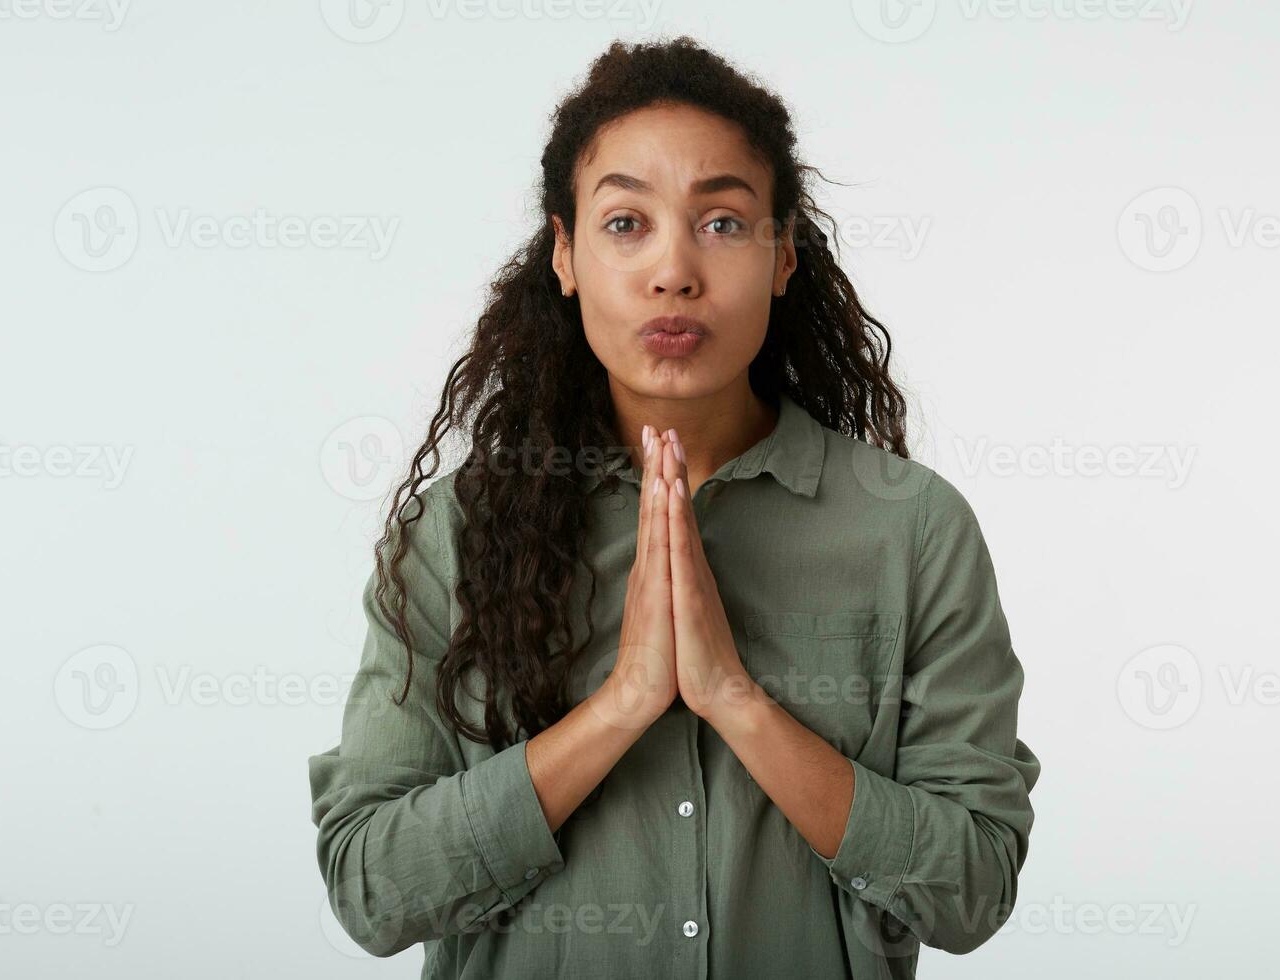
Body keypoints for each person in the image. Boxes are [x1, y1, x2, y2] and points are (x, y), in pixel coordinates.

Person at [307, 35, 1041, 980]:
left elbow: (973, 890)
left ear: (784, 257)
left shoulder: (912, 528)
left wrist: (736, 701)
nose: (674, 270)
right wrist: (621, 706)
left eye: (724, 223)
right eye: (625, 223)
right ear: (564, 255)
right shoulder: (449, 534)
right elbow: (371, 891)